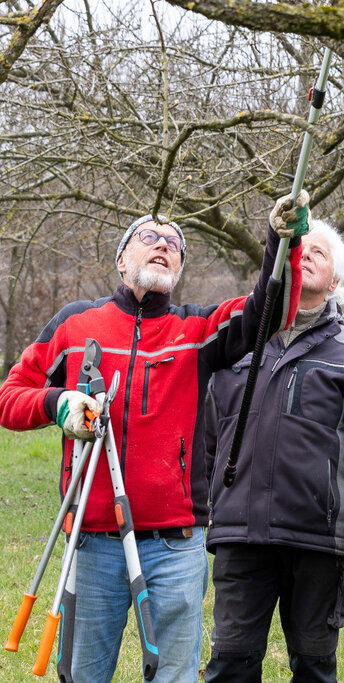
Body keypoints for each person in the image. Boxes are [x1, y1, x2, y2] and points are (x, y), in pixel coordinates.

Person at [0, 193, 307, 682]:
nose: (164, 245)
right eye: (150, 237)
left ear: (179, 269)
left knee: (173, 676)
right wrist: (57, 404)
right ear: (122, 260)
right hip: (91, 542)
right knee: (82, 675)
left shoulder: (196, 330)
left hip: (175, 547)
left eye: (174, 244)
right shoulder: (75, 325)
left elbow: (270, 312)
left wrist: (282, 243)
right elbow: (9, 398)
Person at [202, 217, 344, 682]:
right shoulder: (236, 347)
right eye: (299, 249)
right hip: (240, 536)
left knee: (313, 668)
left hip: (319, 543)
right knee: (230, 666)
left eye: (318, 253)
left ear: (335, 281)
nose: (305, 255)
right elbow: (207, 441)